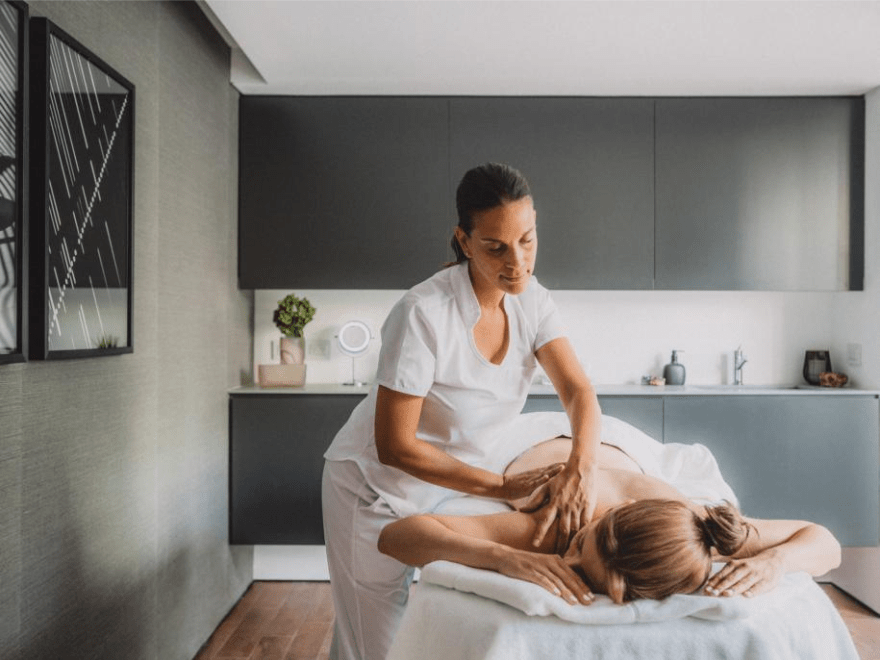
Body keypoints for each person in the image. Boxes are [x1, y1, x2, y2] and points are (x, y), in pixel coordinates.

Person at [321, 163, 603, 660]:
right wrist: (497, 486)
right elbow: (395, 446)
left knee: (433, 629)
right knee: (375, 646)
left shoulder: (532, 302)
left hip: (450, 489)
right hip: (372, 489)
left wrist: (582, 465)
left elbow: (578, 390)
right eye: (495, 247)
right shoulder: (423, 313)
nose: (516, 261)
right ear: (464, 240)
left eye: (527, 240)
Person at [378, 436, 842, 605]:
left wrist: (777, 561)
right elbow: (396, 536)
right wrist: (501, 557)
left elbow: (825, 544)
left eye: (579, 559)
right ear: (604, 520)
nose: (572, 555)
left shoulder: (697, 530)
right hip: (535, 436)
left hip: (630, 452)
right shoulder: (557, 526)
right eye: (585, 544)